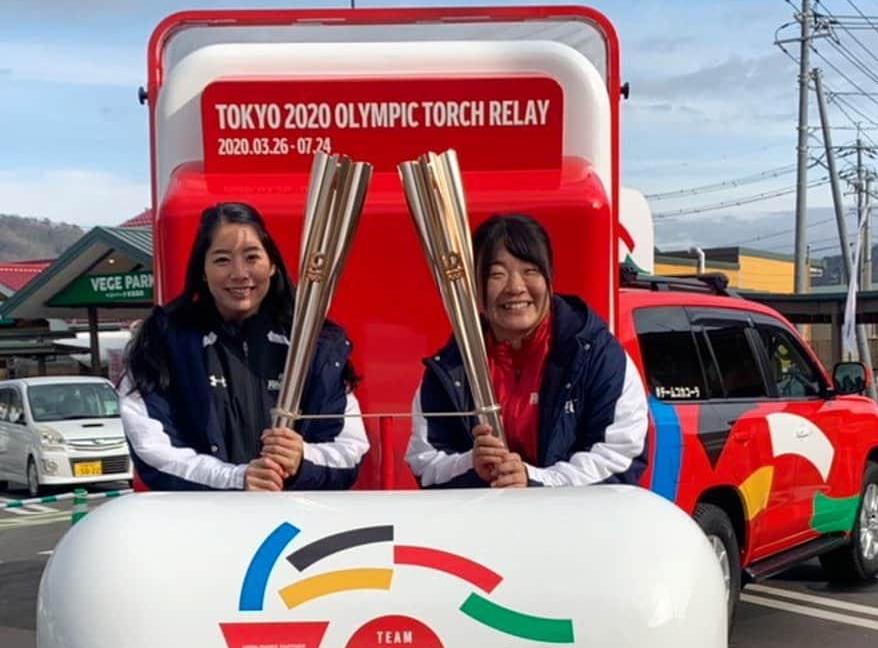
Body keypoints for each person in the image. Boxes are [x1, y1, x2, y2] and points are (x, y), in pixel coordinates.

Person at [120, 202, 368, 491]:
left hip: (298, 526)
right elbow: (152, 450)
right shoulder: (164, 342)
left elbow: (349, 450)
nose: (239, 273)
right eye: (222, 260)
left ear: (272, 264)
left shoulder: (317, 345)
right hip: (203, 526)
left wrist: (302, 459)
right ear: (202, 269)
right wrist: (236, 478)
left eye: (252, 257)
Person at [405, 213, 648, 488]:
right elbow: (424, 461)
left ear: (549, 279)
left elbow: (619, 456)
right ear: (475, 288)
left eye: (530, 271)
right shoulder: (450, 368)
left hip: (575, 526)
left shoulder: (598, 356)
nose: (515, 287)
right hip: (481, 526)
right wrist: (469, 464)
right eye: (497, 274)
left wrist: (535, 481)